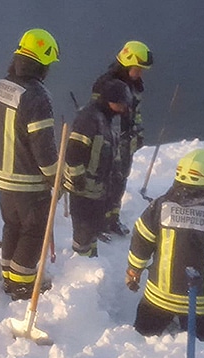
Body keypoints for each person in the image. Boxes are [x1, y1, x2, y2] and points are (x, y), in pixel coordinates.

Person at [125, 149, 204, 343]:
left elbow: (141, 241)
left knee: (140, 342)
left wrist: (133, 271)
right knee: (200, 351)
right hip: (201, 303)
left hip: (159, 298)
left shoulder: (160, 207)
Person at [0, 29, 60, 300]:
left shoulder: (1, 86)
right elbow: (43, 145)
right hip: (27, 179)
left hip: (3, 175)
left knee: (12, 225)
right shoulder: (37, 96)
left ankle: (8, 274)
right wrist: (55, 177)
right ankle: (21, 285)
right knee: (34, 231)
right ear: (43, 64)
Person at [64, 79, 133, 257]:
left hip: (97, 187)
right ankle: (81, 262)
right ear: (109, 100)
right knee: (83, 229)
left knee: (92, 227)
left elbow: (109, 149)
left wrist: (115, 172)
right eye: (120, 104)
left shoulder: (107, 119)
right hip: (83, 187)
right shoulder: (89, 119)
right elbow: (73, 151)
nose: (123, 108)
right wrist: (78, 177)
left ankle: (90, 258)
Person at [91, 40, 153, 236]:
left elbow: (136, 112)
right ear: (126, 64)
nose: (140, 73)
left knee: (119, 180)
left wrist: (139, 133)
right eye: (138, 68)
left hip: (126, 141)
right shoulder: (105, 84)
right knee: (104, 181)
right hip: (107, 142)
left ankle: (112, 219)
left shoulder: (134, 85)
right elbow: (95, 115)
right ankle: (98, 222)